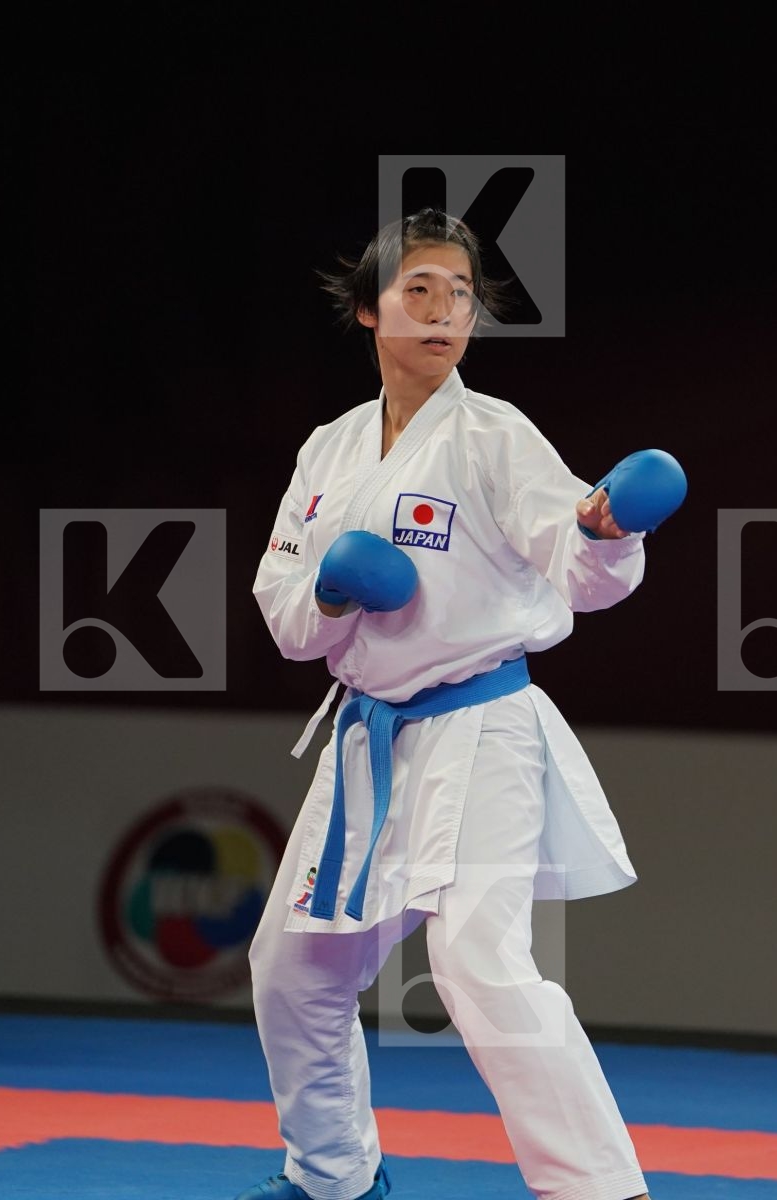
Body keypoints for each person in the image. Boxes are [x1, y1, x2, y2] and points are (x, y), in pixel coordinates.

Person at [242, 210, 683, 1200]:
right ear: (369, 311)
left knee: (478, 961)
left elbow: (573, 560)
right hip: (370, 738)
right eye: (420, 292)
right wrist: (332, 589)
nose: (445, 312)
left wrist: (606, 528)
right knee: (291, 969)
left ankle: (603, 1192)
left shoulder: (494, 436)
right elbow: (284, 616)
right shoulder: (329, 451)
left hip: (481, 724)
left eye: (462, 296)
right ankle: (332, 1179)